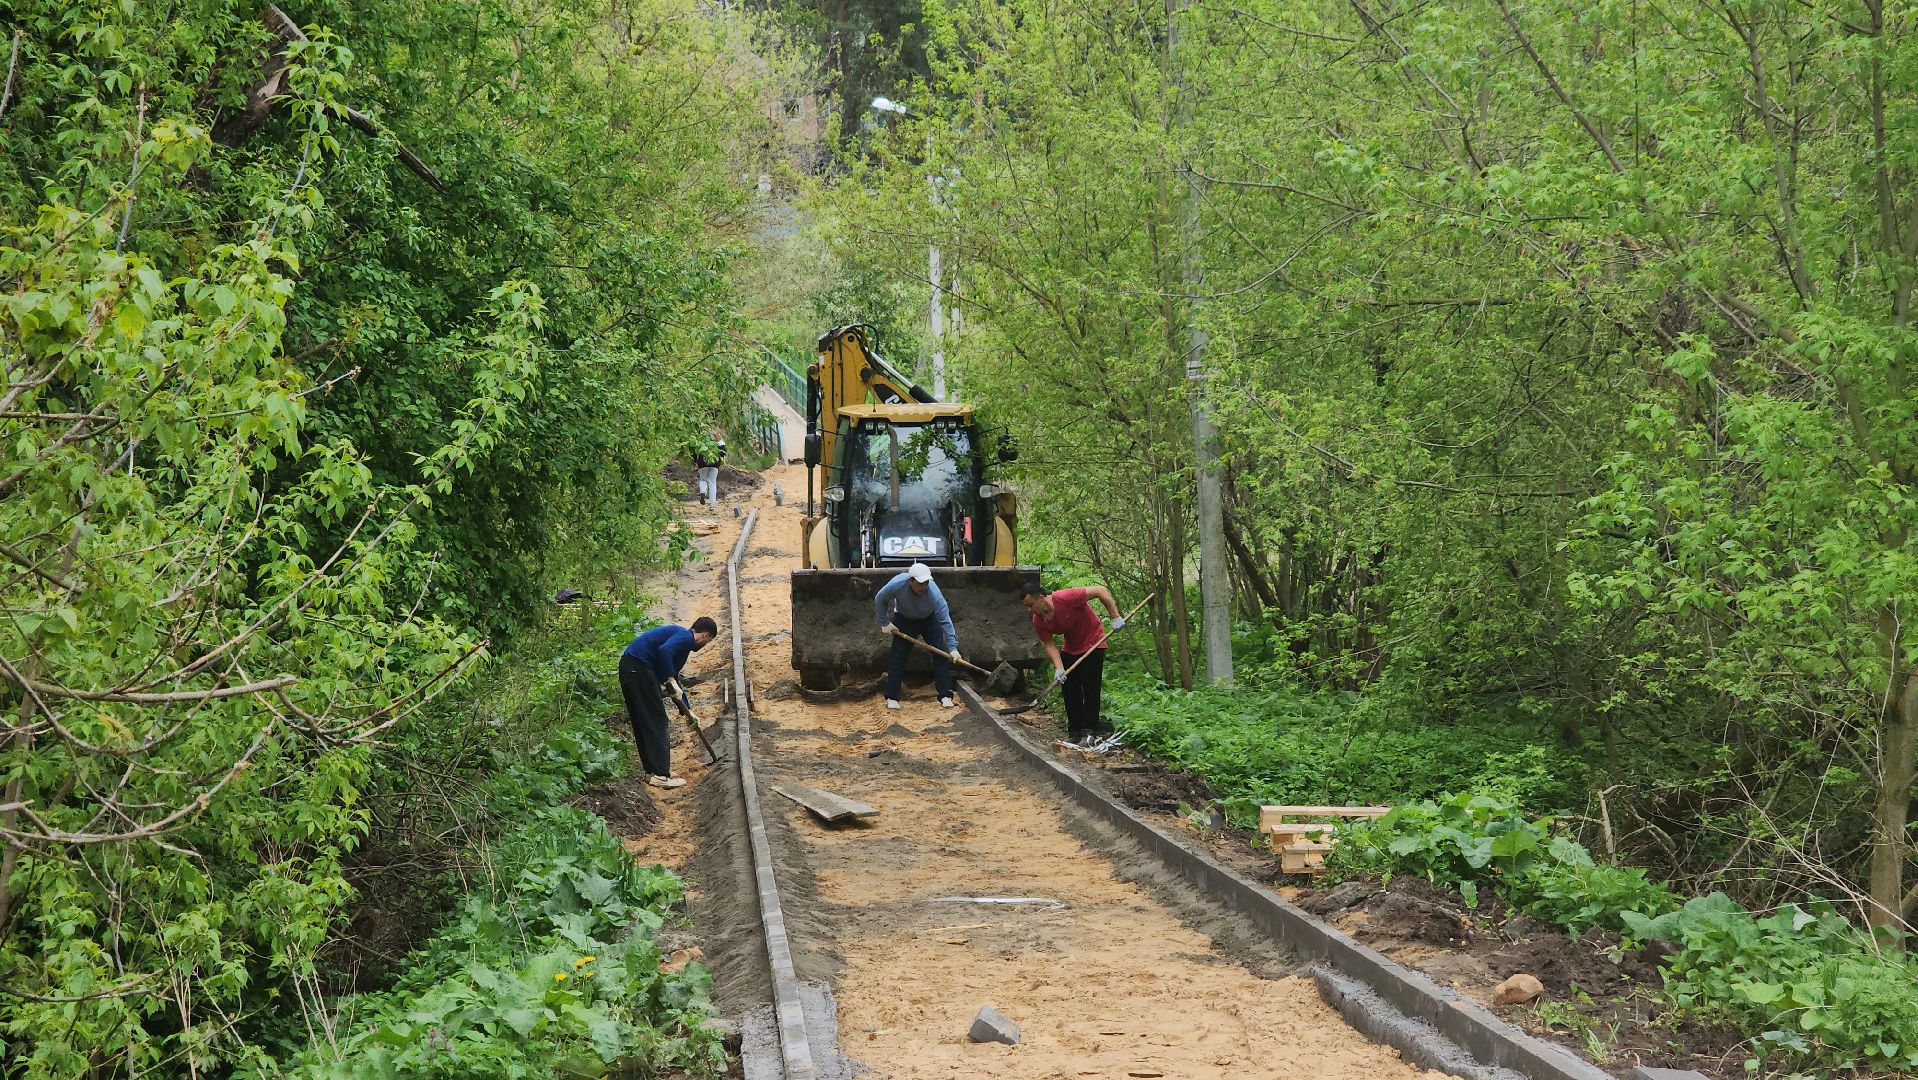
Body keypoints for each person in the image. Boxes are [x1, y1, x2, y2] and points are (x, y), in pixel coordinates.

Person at [618, 616, 718, 787]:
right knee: (656, 720)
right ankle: (660, 774)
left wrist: (688, 710)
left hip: (633, 669)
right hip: (638, 670)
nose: (704, 646)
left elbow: (674, 680)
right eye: (707, 642)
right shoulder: (685, 637)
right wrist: (669, 678)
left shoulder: (679, 639)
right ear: (705, 635)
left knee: (645, 720)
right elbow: (664, 653)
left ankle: (653, 771)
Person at [1022, 581, 1124, 747]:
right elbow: (1048, 644)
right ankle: (1074, 732)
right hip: (1071, 647)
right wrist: (1059, 667)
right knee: (1069, 688)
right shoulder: (1039, 620)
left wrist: (1115, 616)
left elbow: (1100, 590)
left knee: (1090, 688)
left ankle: (1089, 731)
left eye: (1030, 605)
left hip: (1093, 642)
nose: (1029, 610)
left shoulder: (1066, 598)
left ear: (1041, 598)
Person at [874, 561, 961, 710]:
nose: (923, 587)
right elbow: (880, 599)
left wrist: (953, 647)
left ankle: (945, 695)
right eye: (920, 583)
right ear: (911, 580)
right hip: (905, 619)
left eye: (926, 583)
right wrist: (885, 623)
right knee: (898, 657)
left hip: (929, 620)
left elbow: (945, 620)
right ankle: (892, 697)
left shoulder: (935, 595)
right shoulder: (897, 584)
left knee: (940, 653)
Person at [693, 432, 725, 508]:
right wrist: (719, 440)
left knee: (703, 479)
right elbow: (723, 452)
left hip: (702, 464)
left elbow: (694, 452)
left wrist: (694, 461)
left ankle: (703, 491)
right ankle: (712, 504)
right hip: (714, 464)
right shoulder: (717, 443)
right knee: (712, 483)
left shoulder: (700, 441)